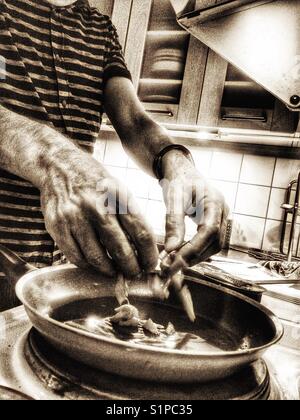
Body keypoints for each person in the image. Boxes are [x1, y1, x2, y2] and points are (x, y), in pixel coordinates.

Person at [0, 0, 228, 311]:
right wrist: (53, 159)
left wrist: (177, 164)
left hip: (50, 278)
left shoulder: (99, 29)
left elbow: (134, 121)